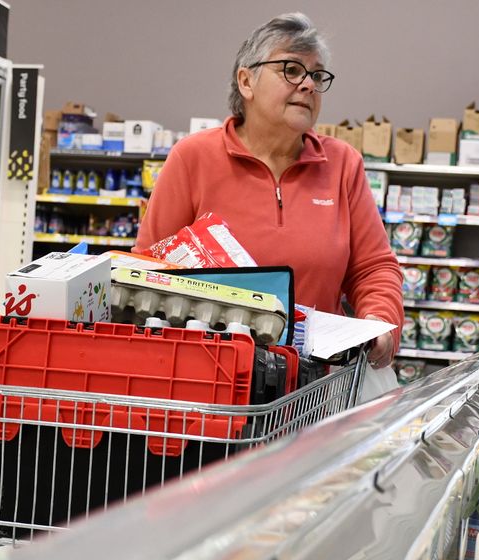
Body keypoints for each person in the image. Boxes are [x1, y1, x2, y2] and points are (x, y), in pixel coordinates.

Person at [133, 12, 403, 369]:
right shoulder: (193, 157)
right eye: (291, 70)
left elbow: (373, 267)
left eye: (317, 75)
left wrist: (378, 323)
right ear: (246, 81)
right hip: (210, 378)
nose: (307, 84)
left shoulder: (342, 165)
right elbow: (147, 269)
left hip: (315, 387)